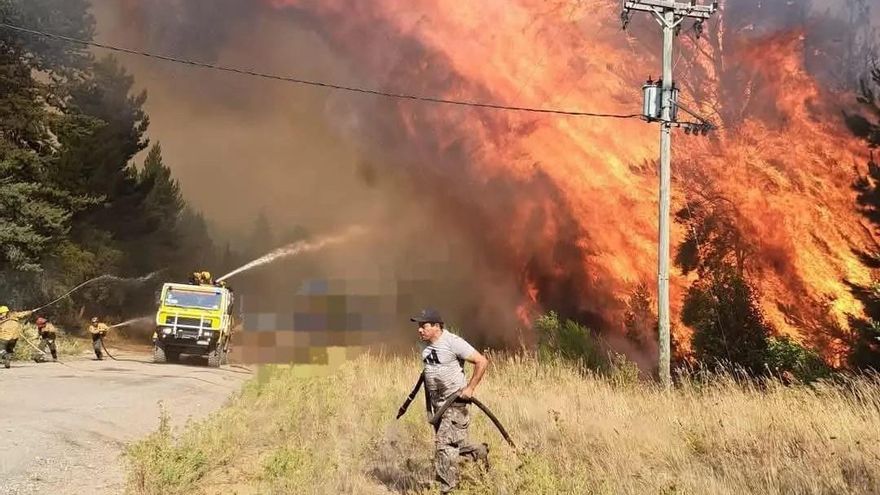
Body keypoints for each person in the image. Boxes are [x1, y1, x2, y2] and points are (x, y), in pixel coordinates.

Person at [411, 308, 490, 493]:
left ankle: (447, 489)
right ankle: (479, 451)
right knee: (455, 444)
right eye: (418, 326)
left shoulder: (453, 342)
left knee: (444, 445)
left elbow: (482, 361)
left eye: (424, 326)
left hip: (455, 404)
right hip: (438, 406)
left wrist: (470, 388)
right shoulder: (425, 346)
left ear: (437, 326)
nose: (419, 329)